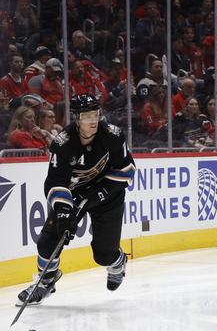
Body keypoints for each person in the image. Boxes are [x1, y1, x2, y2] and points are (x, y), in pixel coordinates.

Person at [17, 94, 136, 306]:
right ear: (76, 118)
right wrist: (64, 211)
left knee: (104, 255)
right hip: (72, 195)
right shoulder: (63, 144)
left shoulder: (112, 135)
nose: (93, 120)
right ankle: (46, 281)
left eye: (95, 114)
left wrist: (92, 196)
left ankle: (117, 262)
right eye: (86, 116)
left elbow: (127, 172)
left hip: (108, 195)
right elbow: (54, 183)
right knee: (48, 241)